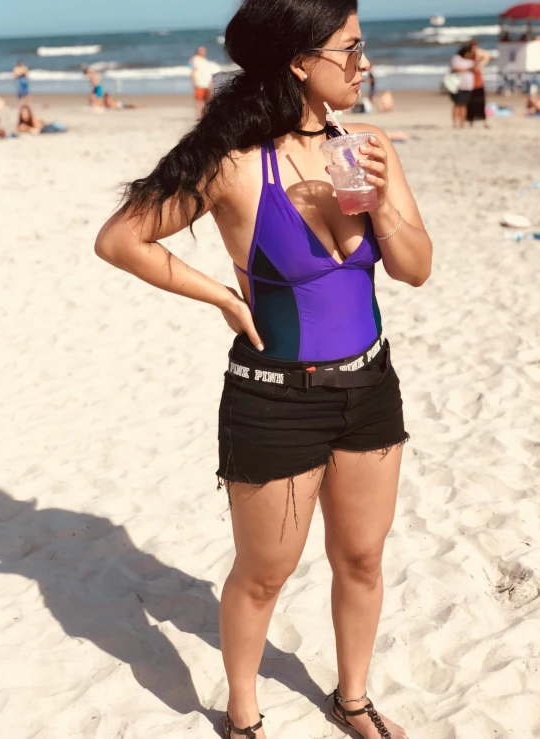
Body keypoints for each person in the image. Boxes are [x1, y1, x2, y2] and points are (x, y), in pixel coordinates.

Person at [95, 1, 432, 738]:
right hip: (274, 401)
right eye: (350, 49)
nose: (363, 62)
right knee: (264, 574)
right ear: (299, 61)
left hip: (371, 388)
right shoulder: (235, 164)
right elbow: (121, 239)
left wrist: (384, 204)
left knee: (364, 559)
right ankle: (244, 709)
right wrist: (219, 292)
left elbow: (415, 269)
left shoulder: (369, 145)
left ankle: (352, 697)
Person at [450, 44, 476, 129]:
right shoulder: (456, 58)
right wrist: (468, 69)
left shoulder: (471, 60)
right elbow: (455, 69)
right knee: (457, 104)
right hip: (457, 85)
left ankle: (462, 123)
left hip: (468, 85)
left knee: (464, 105)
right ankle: (454, 124)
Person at [467, 41, 491, 128]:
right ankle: (471, 120)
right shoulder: (468, 57)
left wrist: (480, 62)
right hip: (471, 83)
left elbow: (487, 55)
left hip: (479, 82)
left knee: (481, 102)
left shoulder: (477, 57)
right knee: (471, 102)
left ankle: (484, 120)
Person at [189, 46, 215, 119]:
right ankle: (199, 115)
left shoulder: (205, 60)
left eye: (204, 51)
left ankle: (206, 115)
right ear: (198, 51)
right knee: (199, 100)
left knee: (207, 100)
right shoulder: (194, 59)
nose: (203, 52)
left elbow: (208, 72)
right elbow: (192, 71)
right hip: (199, 83)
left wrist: (211, 82)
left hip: (207, 83)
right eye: (202, 51)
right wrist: (193, 81)